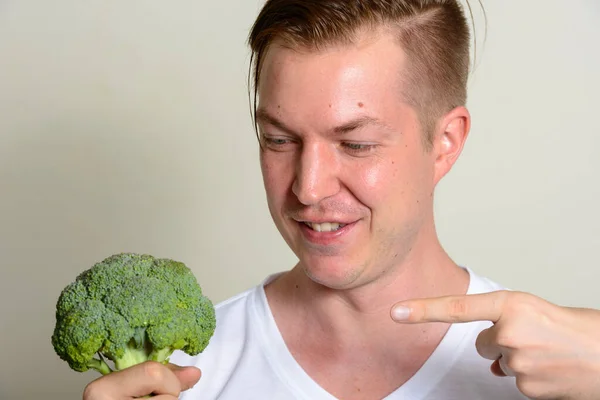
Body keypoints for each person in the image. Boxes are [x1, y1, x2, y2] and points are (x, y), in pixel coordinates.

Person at [82, 1, 600, 399]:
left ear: (445, 143)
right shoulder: (184, 374)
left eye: (356, 144)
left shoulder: (562, 370)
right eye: (279, 140)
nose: (308, 188)